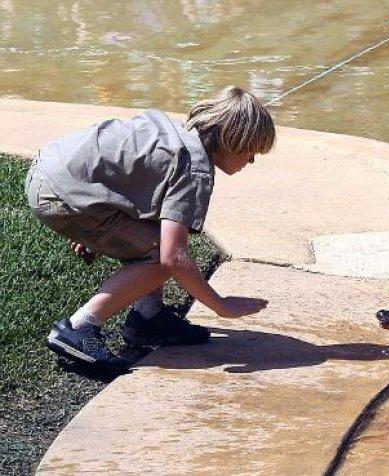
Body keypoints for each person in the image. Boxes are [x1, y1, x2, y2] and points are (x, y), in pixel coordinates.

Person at [24, 86, 274, 370]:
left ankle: (148, 317)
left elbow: (126, 173)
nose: (251, 161)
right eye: (252, 152)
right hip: (64, 195)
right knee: (162, 255)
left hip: (50, 171)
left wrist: (94, 233)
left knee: (159, 232)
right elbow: (173, 257)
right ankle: (78, 328)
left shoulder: (173, 133)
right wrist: (220, 305)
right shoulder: (194, 168)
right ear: (233, 141)